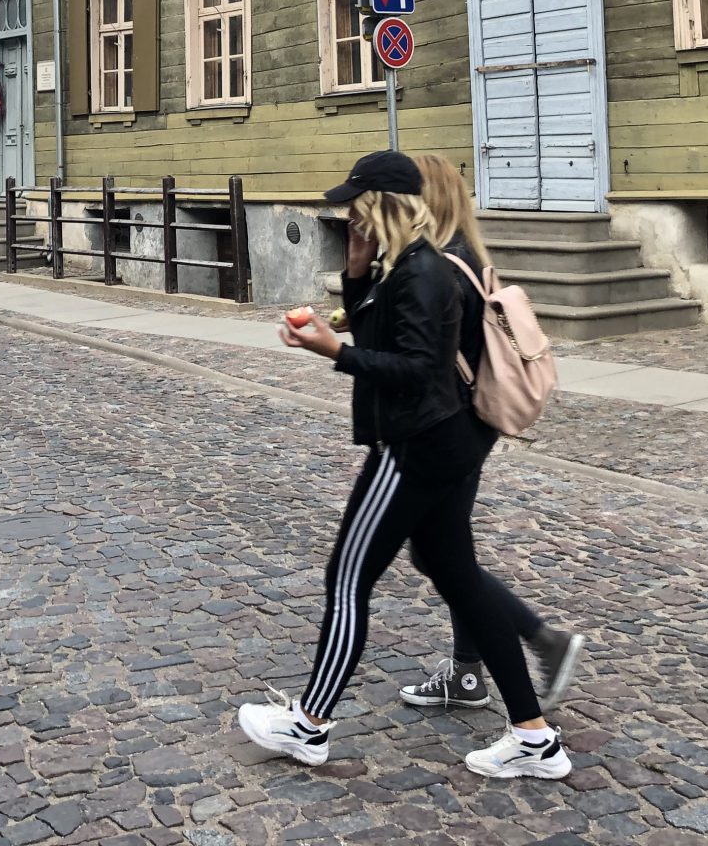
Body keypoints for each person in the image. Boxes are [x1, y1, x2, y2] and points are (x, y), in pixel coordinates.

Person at [236, 150, 570, 780]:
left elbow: (417, 370)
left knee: (347, 580)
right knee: (456, 576)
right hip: (438, 445)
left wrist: (332, 351)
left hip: (412, 448)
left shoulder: (425, 272)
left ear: (381, 206)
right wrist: (357, 275)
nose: (350, 222)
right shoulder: (406, 267)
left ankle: (309, 725)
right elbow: (385, 338)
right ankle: (534, 736)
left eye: (356, 212)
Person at [395, 154, 586, 714]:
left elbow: (424, 361)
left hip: (450, 429)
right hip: (471, 425)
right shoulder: (467, 254)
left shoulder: (440, 267)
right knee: (445, 551)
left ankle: (541, 640)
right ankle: (469, 672)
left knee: (441, 557)